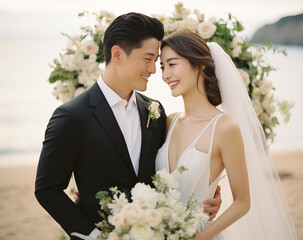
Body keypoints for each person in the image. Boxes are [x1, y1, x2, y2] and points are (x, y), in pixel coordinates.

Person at [35, 13, 221, 240]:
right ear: (117, 54)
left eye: (157, 62)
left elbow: (166, 171)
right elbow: (47, 189)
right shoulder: (71, 116)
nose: (154, 70)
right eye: (148, 58)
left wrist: (207, 192)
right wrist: (94, 236)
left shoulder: (155, 111)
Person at [156, 30, 298, 239]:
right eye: (162, 67)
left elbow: (242, 202)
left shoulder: (224, 128)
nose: (165, 75)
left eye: (172, 64)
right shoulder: (170, 121)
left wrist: (198, 237)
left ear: (200, 65)